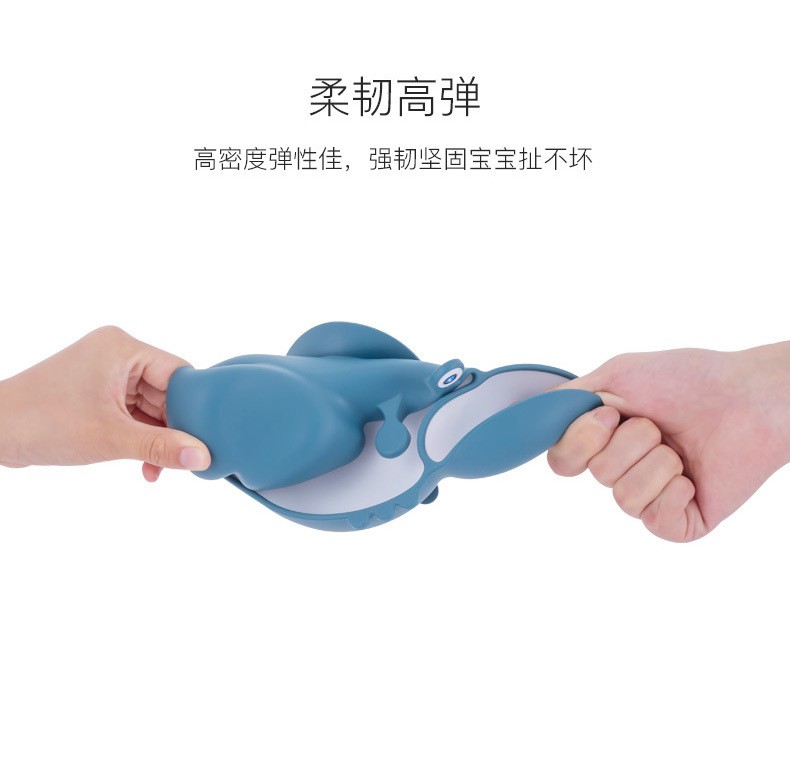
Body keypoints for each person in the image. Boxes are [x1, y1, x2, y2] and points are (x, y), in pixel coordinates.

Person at [1, 327, 787, 542]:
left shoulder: (310, 413)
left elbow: (332, 353)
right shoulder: (291, 418)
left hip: (386, 424)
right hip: (371, 428)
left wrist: (758, 398)